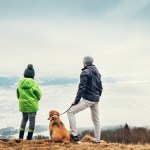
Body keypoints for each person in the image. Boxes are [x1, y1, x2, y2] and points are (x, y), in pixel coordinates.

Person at [67, 56, 103, 143]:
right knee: (96, 120)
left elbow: (81, 88)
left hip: (88, 99)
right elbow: (100, 87)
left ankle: (74, 135)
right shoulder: (97, 72)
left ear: (85, 63)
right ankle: (97, 140)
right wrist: (97, 96)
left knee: (70, 112)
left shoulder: (85, 72)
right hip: (96, 99)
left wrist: (76, 101)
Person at [17, 64, 42, 140]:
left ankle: (20, 137)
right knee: (32, 121)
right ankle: (29, 137)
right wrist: (35, 100)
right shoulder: (33, 83)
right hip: (32, 105)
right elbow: (39, 95)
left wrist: (22, 100)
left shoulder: (20, 83)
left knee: (24, 119)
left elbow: (18, 94)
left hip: (23, 104)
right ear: (33, 75)